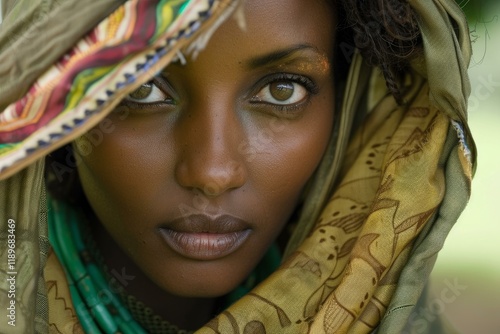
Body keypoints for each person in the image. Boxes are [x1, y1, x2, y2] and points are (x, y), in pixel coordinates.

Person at [0, 0, 476, 333]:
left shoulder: (382, 308)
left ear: (348, 108)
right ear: (53, 109)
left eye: (282, 90)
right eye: (140, 90)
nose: (212, 172)